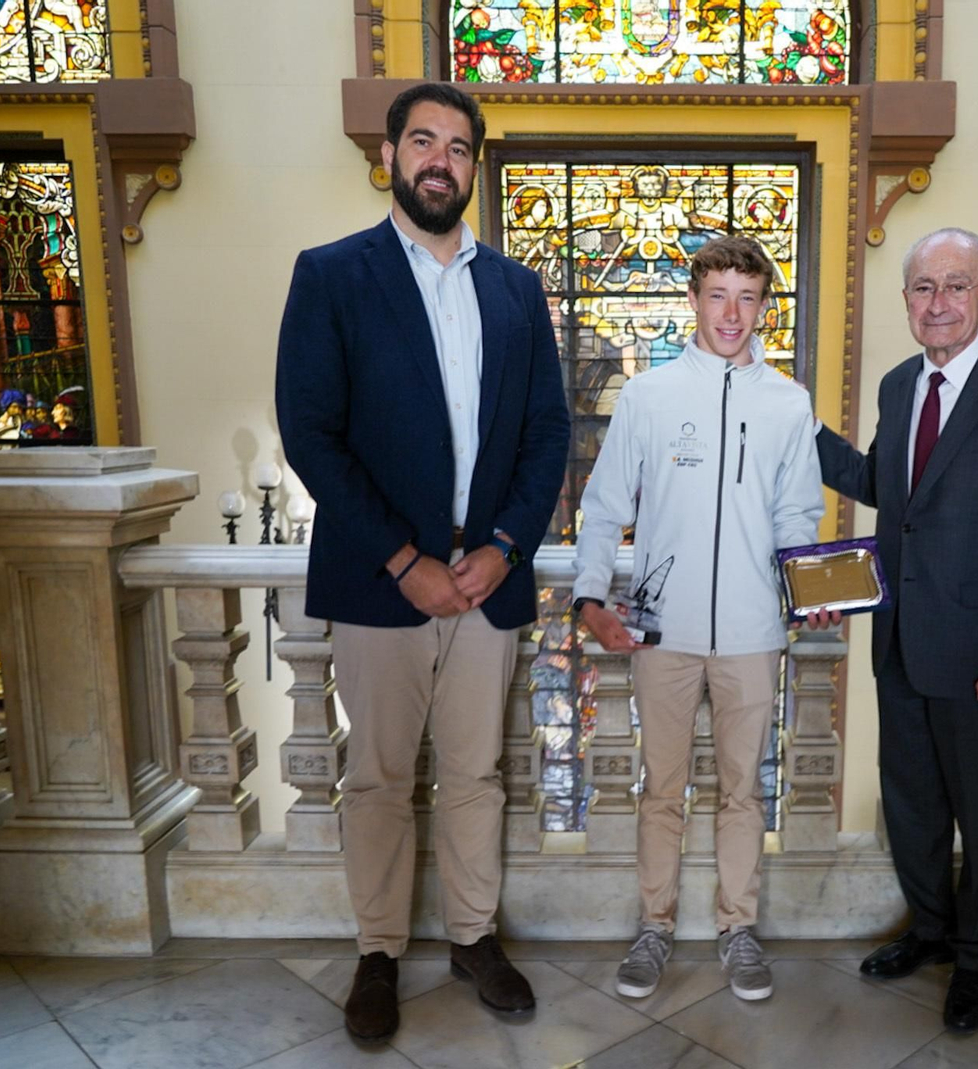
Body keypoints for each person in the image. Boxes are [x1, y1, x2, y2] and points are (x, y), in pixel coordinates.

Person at [274, 82, 569, 1042]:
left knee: (480, 772)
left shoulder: (516, 289)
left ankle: (475, 937)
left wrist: (503, 545)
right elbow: (311, 434)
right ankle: (378, 952)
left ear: (475, 165)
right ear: (392, 155)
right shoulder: (332, 274)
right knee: (380, 775)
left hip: (487, 581)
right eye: (422, 141)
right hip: (378, 579)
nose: (440, 159)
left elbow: (546, 433)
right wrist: (406, 557)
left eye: (458, 146)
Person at [812, 228, 978, 1034]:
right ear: (906, 301)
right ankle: (929, 931)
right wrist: (795, 421)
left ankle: (976, 959)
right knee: (915, 806)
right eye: (924, 288)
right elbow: (884, 488)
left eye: (956, 286)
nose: (939, 303)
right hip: (901, 646)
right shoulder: (900, 385)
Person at [571, 234, 823, 1003]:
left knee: (744, 789)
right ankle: (654, 925)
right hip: (662, 630)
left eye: (748, 298)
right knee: (663, 787)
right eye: (719, 295)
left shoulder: (788, 401)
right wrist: (588, 594)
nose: (732, 313)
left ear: (763, 308)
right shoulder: (649, 398)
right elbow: (604, 505)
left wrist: (806, 587)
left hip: (752, 633)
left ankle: (737, 928)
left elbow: (797, 512)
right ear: (693, 299)